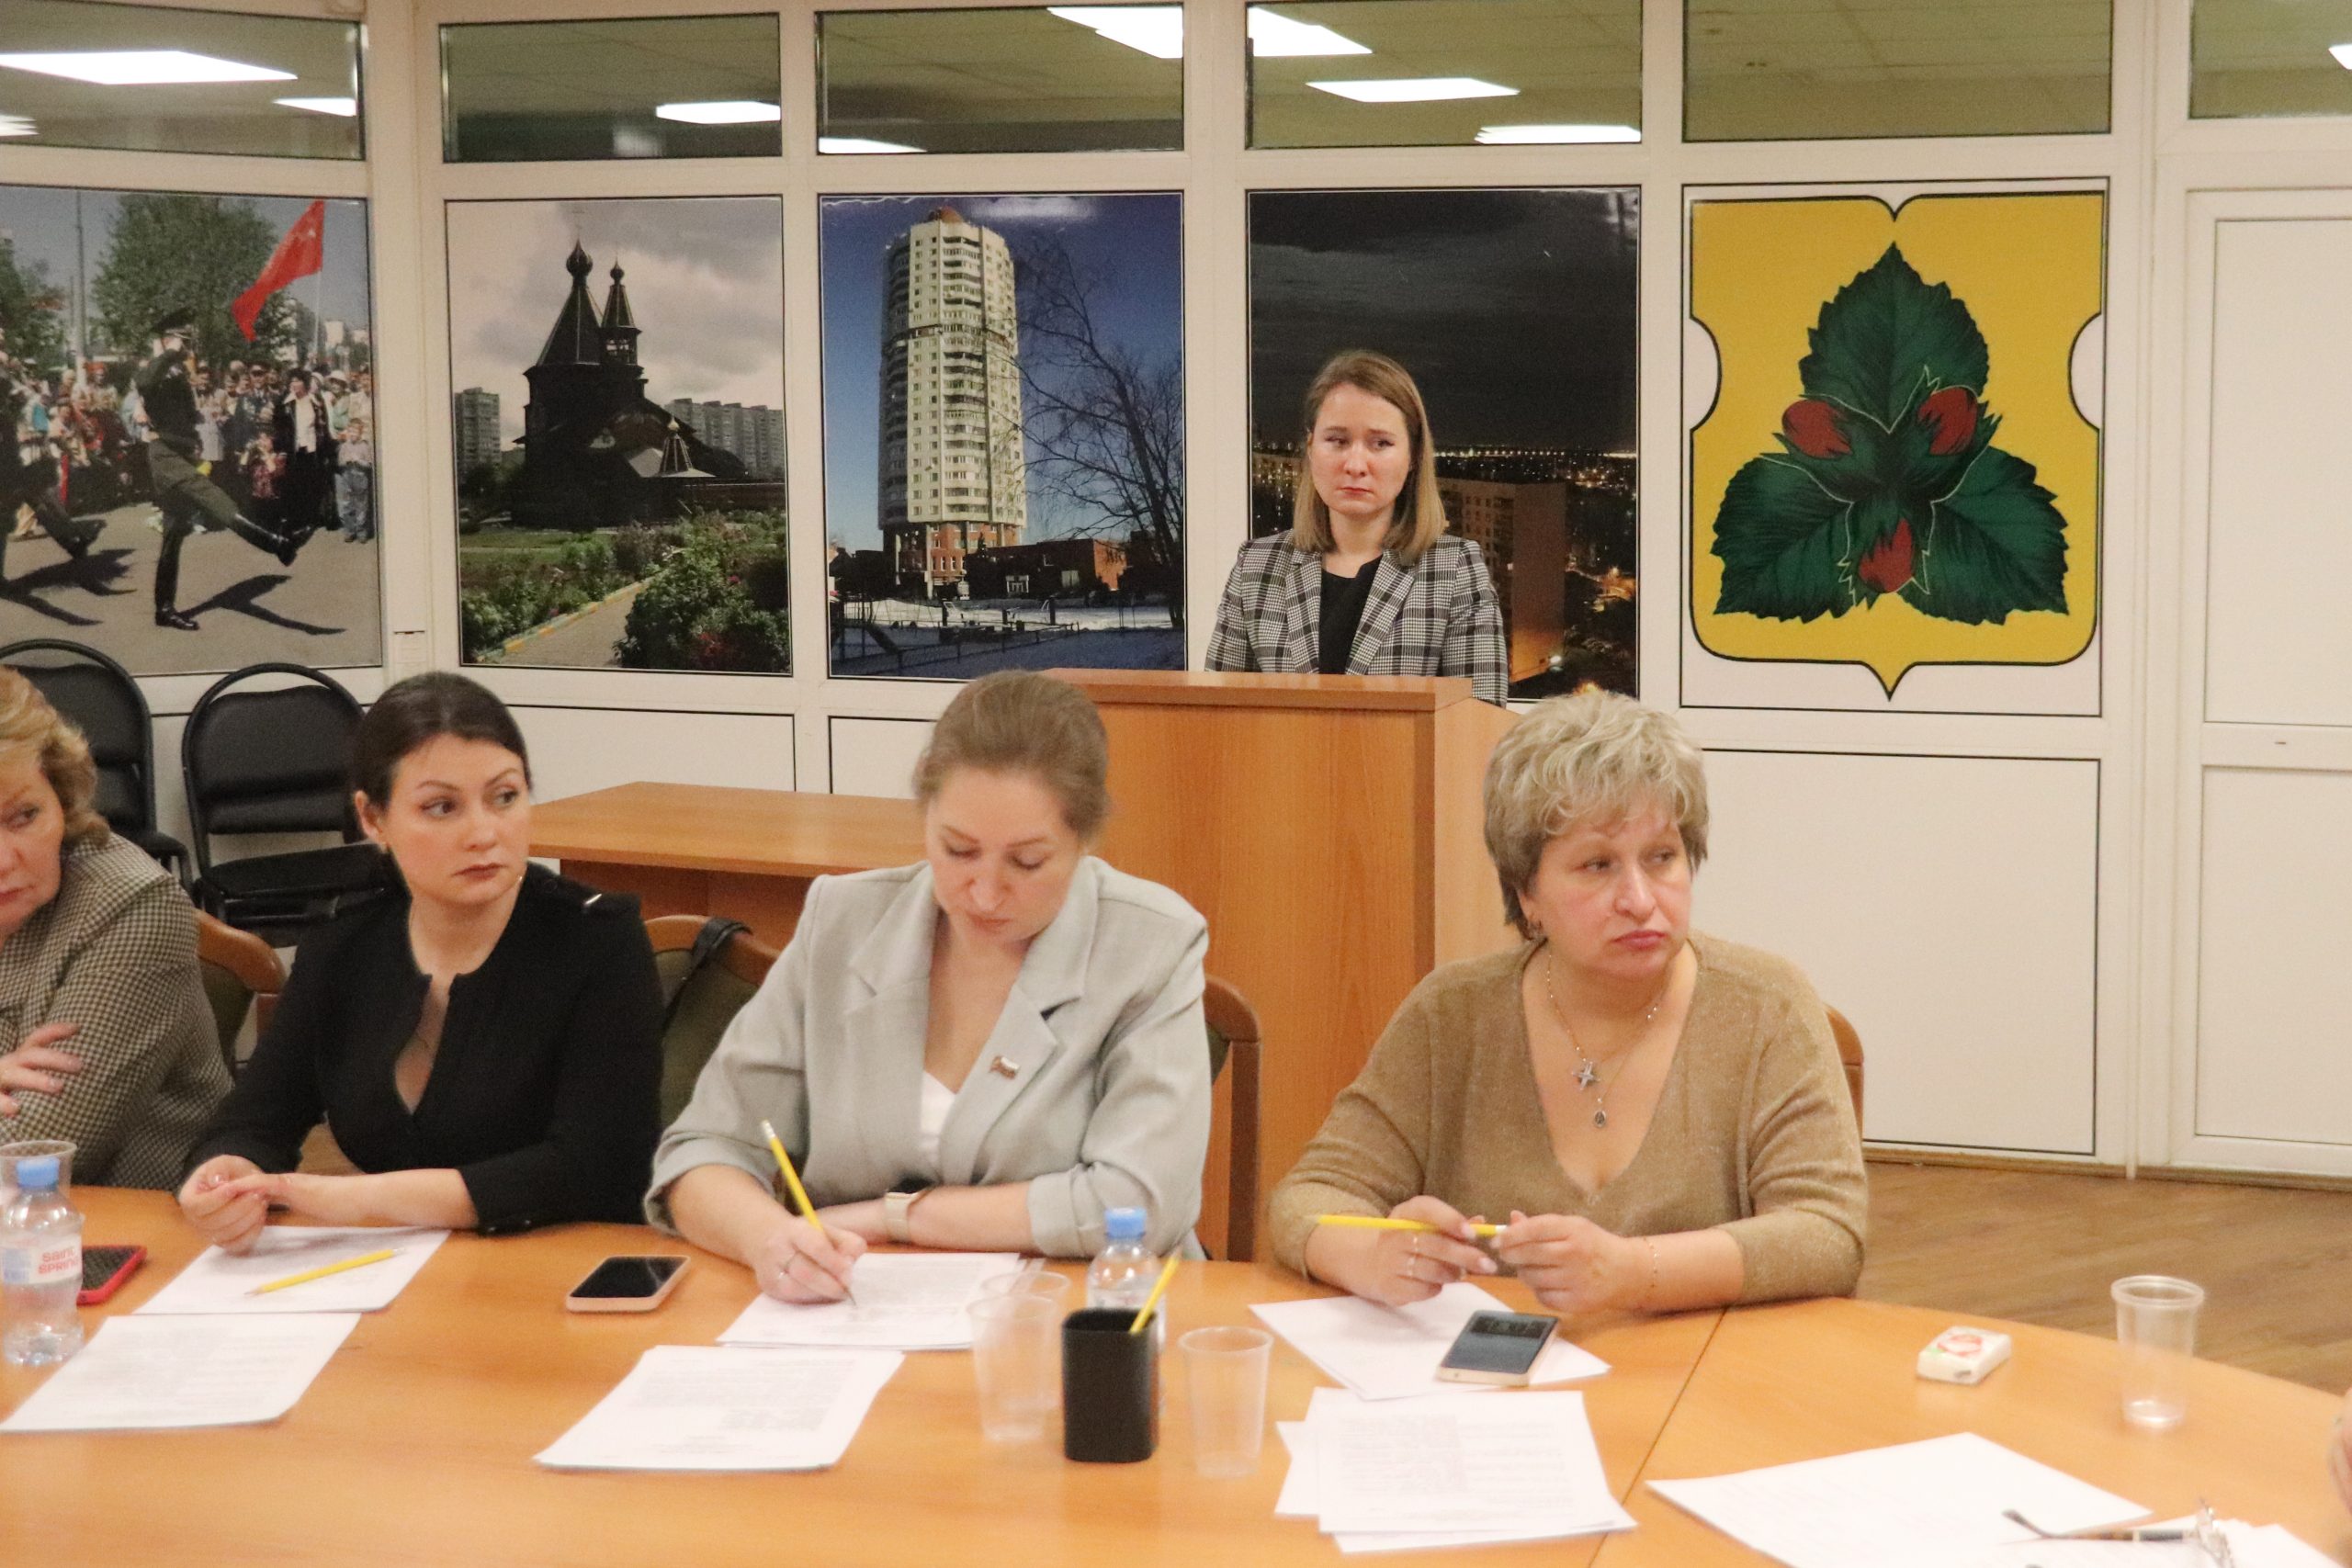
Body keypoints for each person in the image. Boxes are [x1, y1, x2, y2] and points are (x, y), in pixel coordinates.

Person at [1268, 690, 1867, 1314]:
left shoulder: (1768, 1006)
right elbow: (1310, 1195)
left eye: (1662, 858)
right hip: (1490, 1371)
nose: (1639, 899)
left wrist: (1634, 1272)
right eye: (1597, 865)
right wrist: (1373, 1252)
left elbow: (1827, 1235)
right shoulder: (1452, 1014)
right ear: (1526, 891)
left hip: (1706, 1365)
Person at [650, 671, 1210, 1303]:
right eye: (958, 850)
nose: (986, 893)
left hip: (1080, 1315)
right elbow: (704, 1151)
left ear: (1085, 839)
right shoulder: (843, 921)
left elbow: (1140, 1201)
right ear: (926, 816)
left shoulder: (1151, 944)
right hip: (848, 1314)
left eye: (1027, 862)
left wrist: (895, 1217)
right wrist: (767, 1238)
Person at [177, 673, 662, 1250]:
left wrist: (355, 1199)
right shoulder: (343, 948)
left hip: (564, 1264)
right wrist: (224, 1174)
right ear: (372, 818)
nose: (484, 833)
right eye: (441, 807)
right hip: (399, 1270)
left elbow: (596, 1165)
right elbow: (252, 1121)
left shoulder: (597, 938)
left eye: (505, 797)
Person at [0, 671, 226, 1186]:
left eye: (24, 816)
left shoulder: (130, 905)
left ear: (62, 798)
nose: (5, 861)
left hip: (127, 1223)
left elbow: (35, 1157)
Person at [1206, 349, 1508, 706]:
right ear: (1311, 447)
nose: (1355, 464)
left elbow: (1479, 721)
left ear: (1413, 456)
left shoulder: (1454, 569)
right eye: (1337, 440)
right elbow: (1216, 716)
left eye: (1380, 443)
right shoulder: (1256, 566)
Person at [137, 310, 301, 631]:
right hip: (164, 457)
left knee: (173, 536)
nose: (188, 346)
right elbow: (144, 383)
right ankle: (277, 544)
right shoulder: (154, 368)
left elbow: (185, 415)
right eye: (184, 340)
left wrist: (194, 437)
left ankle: (164, 609)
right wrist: (168, 352)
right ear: (168, 340)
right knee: (213, 497)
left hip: (181, 454)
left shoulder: (177, 373)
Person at [274, 367, 334, 542]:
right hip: (292, 451)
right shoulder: (285, 403)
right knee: (292, 487)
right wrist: (280, 449)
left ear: (305, 383)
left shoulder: (315, 402)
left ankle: (309, 520)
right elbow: (278, 428)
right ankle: (294, 521)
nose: (294, 384)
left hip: (311, 451)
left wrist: (326, 450)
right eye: (292, 381)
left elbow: (322, 427)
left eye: (297, 381)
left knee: (310, 486)